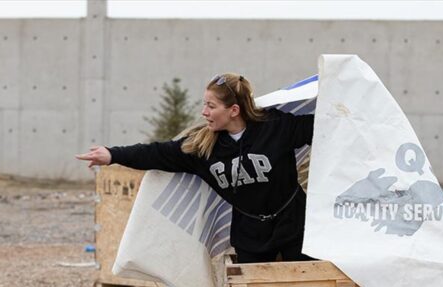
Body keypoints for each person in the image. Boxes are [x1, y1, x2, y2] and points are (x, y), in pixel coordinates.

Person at [76, 73, 314, 263]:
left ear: (233, 110)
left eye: (211, 106)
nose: (204, 112)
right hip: (250, 234)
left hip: (295, 225)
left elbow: (325, 127)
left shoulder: (276, 127)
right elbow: (157, 153)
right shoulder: (202, 147)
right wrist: (112, 154)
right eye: (204, 104)